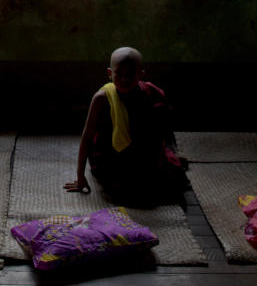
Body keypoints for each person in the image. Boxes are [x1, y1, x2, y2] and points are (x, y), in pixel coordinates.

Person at [63, 47, 187, 205]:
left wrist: (156, 172)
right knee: (121, 194)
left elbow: (158, 138)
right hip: (110, 159)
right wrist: (80, 177)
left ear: (141, 74)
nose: (124, 79)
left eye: (130, 75)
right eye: (119, 74)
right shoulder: (102, 98)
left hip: (142, 156)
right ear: (109, 74)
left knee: (162, 187)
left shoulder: (150, 94)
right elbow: (87, 137)